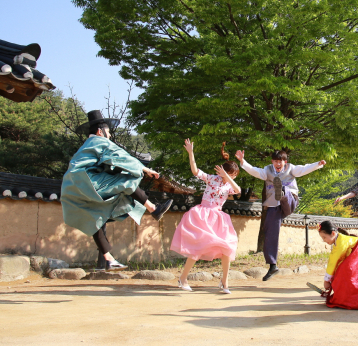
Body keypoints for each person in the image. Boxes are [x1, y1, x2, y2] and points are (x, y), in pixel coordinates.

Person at [61, 110, 173, 271]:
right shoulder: (100, 142)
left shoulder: (86, 145)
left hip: (72, 189)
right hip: (86, 182)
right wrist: (143, 168)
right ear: (100, 131)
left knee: (94, 218)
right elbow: (120, 156)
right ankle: (153, 208)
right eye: (108, 131)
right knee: (126, 179)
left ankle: (108, 259)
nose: (110, 136)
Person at [235, 149, 326, 281]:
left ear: (285, 162)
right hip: (274, 205)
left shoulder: (291, 169)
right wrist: (242, 161)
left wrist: (318, 164)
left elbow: (304, 169)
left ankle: (282, 192)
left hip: (290, 201)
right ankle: (272, 265)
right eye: (276, 161)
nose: (278, 164)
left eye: (281, 161)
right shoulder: (267, 170)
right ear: (272, 162)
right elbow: (255, 171)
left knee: (285, 191)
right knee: (269, 232)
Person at [171, 140, 241, 293]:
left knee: (227, 249)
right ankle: (183, 279)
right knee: (197, 248)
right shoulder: (212, 178)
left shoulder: (229, 185)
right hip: (203, 215)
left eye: (234, 175)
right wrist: (191, 153)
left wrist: (227, 177)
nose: (232, 177)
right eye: (231, 174)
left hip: (219, 218)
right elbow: (196, 171)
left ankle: (224, 282)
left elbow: (238, 190)